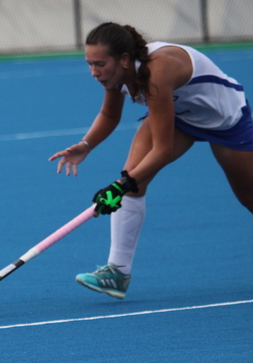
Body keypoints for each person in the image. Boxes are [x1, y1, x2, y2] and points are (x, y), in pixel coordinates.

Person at [49, 22, 253, 299]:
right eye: (89, 64)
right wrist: (86, 145)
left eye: (100, 64)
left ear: (123, 59)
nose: (94, 72)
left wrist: (119, 187)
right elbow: (110, 116)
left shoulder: (158, 72)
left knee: (249, 198)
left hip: (225, 122)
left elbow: (162, 151)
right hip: (180, 116)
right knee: (133, 177)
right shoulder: (117, 74)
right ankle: (117, 273)